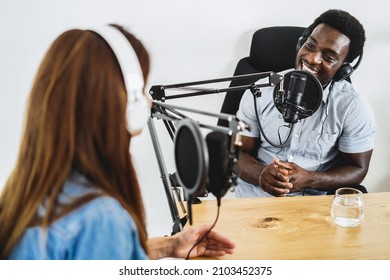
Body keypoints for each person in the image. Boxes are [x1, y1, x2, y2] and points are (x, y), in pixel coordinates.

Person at [0, 24, 235, 259]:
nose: (149, 103)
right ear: (127, 106)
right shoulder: (102, 218)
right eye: (141, 90)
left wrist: (168, 246)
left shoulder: (28, 190)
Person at [234, 9, 377, 198]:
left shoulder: (353, 106)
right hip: (254, 199)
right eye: (310, 45)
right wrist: (261, 174)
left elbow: (358, 168)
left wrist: (310, 179)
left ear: (343, 70)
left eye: (328, 57)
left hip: (311, 208)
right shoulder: (259, 92)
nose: (312, 58)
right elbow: (237, 154)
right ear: (301, 43)